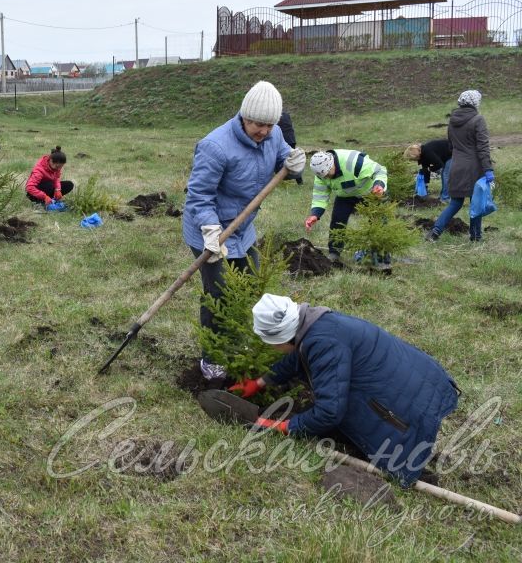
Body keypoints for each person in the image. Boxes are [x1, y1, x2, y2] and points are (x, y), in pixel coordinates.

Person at [231, 293, 460, 487]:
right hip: (420, 377)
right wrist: (262, 381)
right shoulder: (317, 323)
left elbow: (330, 411)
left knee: (396, 457)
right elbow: (299, 357)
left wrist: (286, 426)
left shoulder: (323, 343)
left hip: (406, 405)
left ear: (279, 337)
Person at [182, 81, 305, 334]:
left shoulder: (275, 134)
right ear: (244, 116)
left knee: (250, 284)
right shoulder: (215, 146)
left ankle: (242, 339)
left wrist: (293, 165)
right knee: (219, 291)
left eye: (269, 125)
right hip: (209, 228)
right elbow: (199, 194)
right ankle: (213, 355)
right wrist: (210, 228)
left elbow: (284, 160)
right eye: (258, 124)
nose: (264, 131)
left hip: (242, 227)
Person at [425, 90, 494, 242]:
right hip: (473, 169)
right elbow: (483, 147)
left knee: (455, 202)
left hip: (456, 165)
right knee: (476, 203)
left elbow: (451, 146)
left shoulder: (452, 121)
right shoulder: (478, 119)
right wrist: (488, 169)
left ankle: (434, 232)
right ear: (475, 103)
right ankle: (476, 238)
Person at [303, 149, 389, 268]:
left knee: (378, 223)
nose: (327, 178)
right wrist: (315, 214)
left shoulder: (354, 163)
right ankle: (334, 253)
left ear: (332, 164)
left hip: (372, 193)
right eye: (324, 176)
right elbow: (320, 195)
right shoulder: (321, 175)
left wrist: (379, 185)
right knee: (337, 220)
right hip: (345, 196)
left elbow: (380, 170)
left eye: (328, 174)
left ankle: (380, 256)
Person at [277, 109, 303, 185]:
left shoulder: (276, 116)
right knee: (294, 160)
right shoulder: (286, 114)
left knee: (287, 160)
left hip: (284, 141)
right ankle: (300, 181)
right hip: (291, 139)